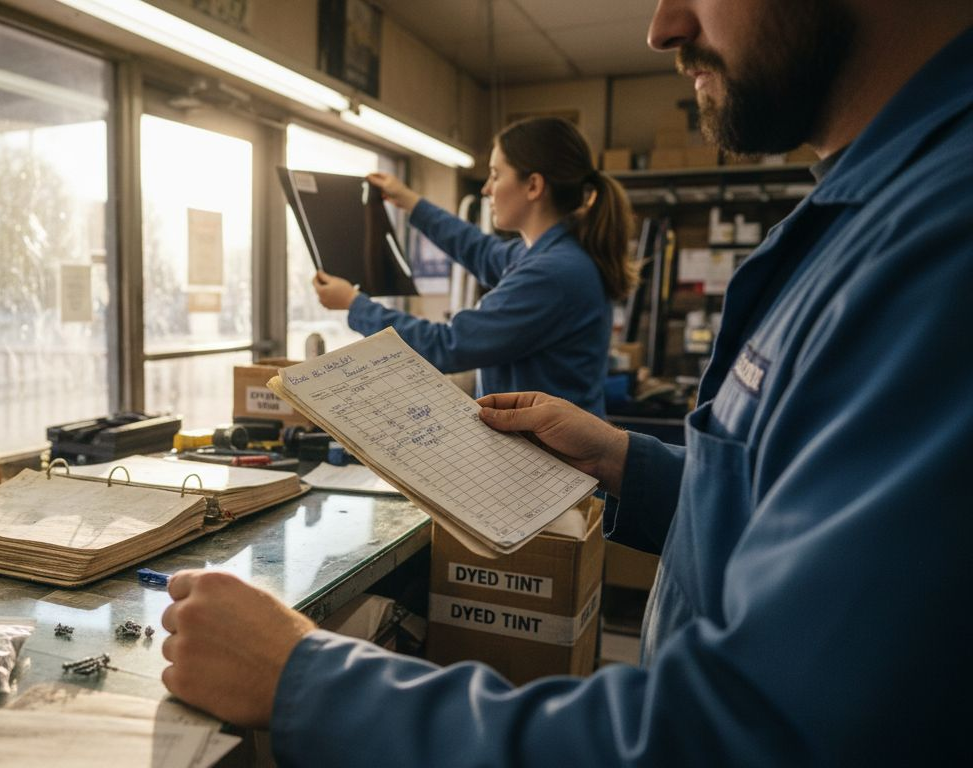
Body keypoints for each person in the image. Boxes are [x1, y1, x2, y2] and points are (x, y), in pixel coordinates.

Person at [159, 0, 973, 764]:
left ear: (534, 186)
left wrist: (304, 679)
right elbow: (782, 498)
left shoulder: (937, 244)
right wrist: (630, 463)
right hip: (550, 463)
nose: (662, 25)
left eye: (497, 175)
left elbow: (745, 734)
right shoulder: (863, 212)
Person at [311, 116, 636, 416]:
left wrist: (355, 306)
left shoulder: (553, 272)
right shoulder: (548, 256)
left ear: (534, 186)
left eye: (496, 175)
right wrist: (411, 203)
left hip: (551, 465)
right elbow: (479, 250)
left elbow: (448, 345)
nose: (486, 189)